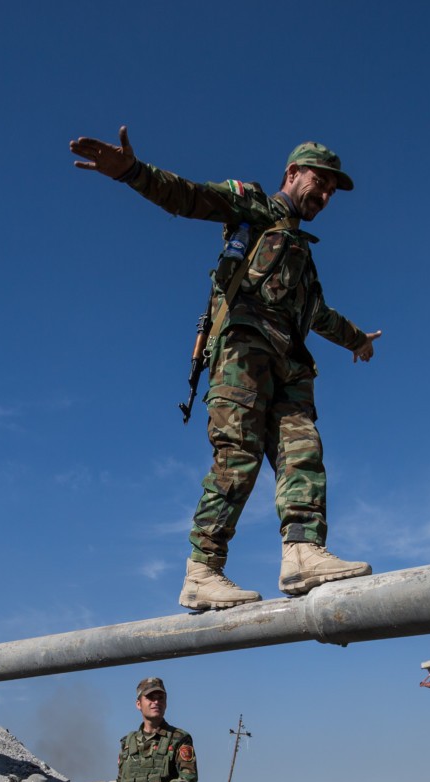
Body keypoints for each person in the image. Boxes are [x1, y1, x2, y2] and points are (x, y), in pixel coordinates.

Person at [71, 127, 381, 611]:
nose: (323, 194)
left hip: (290, 366)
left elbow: (318, 314)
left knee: (304, 450)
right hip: (243, 350)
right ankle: (203, 572)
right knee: (238, 456)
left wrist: (357, 339)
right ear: (292, 173)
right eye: (319, 181)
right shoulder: (256, 206)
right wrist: (132, 172)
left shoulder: (303, 258)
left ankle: (302, 552)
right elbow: (191, 197)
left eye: (330, 190)